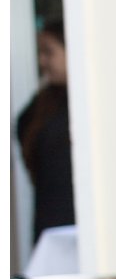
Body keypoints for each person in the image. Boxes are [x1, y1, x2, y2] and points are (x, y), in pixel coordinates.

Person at [14, 22, 73, 243]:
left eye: (49, 52)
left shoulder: (88, 104)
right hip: (51, 219)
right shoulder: (43, 104)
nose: (42, 61)